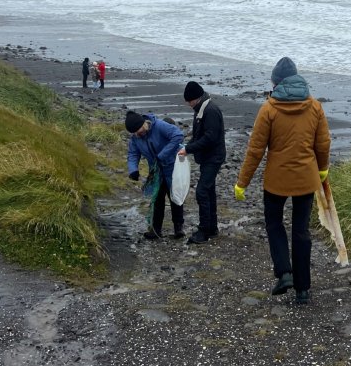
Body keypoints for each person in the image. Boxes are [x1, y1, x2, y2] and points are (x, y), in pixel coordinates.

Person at [234, 57, 330, 305]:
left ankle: (284, 273)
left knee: (274, 224)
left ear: (276, 82)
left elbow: (255, 149)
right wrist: (322, 169)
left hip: (276, 181)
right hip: (306, 179)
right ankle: (303, 289)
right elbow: (323, 144)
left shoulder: (269, 108)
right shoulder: (315, 107)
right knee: (301, 231)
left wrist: (242, 182)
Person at [126, 110, 186, 240]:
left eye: (138, 131)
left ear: (144, 124)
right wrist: (133, 170)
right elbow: (133, 154)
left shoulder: (159, 126)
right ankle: (155, 230)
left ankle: (178, 228)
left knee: (175, 196)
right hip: (156, 170)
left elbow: (178, 136)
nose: (137, 134)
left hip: (172, 166)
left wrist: (162, 155)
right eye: (134, 133)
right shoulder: (135, 138)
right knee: (157, 199)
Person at [179, 81, 226, 245]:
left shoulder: (210, 110)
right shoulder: (200, 109)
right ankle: (212, 227)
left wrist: (189, 149)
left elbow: (210, 138)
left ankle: (204, 231)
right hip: (207, 157)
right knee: (209, 191)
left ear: (196, 98)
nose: (188, 104)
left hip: (214, 157)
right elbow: (198, 135)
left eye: (189, 101)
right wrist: (187, 147)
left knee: (202, 192)